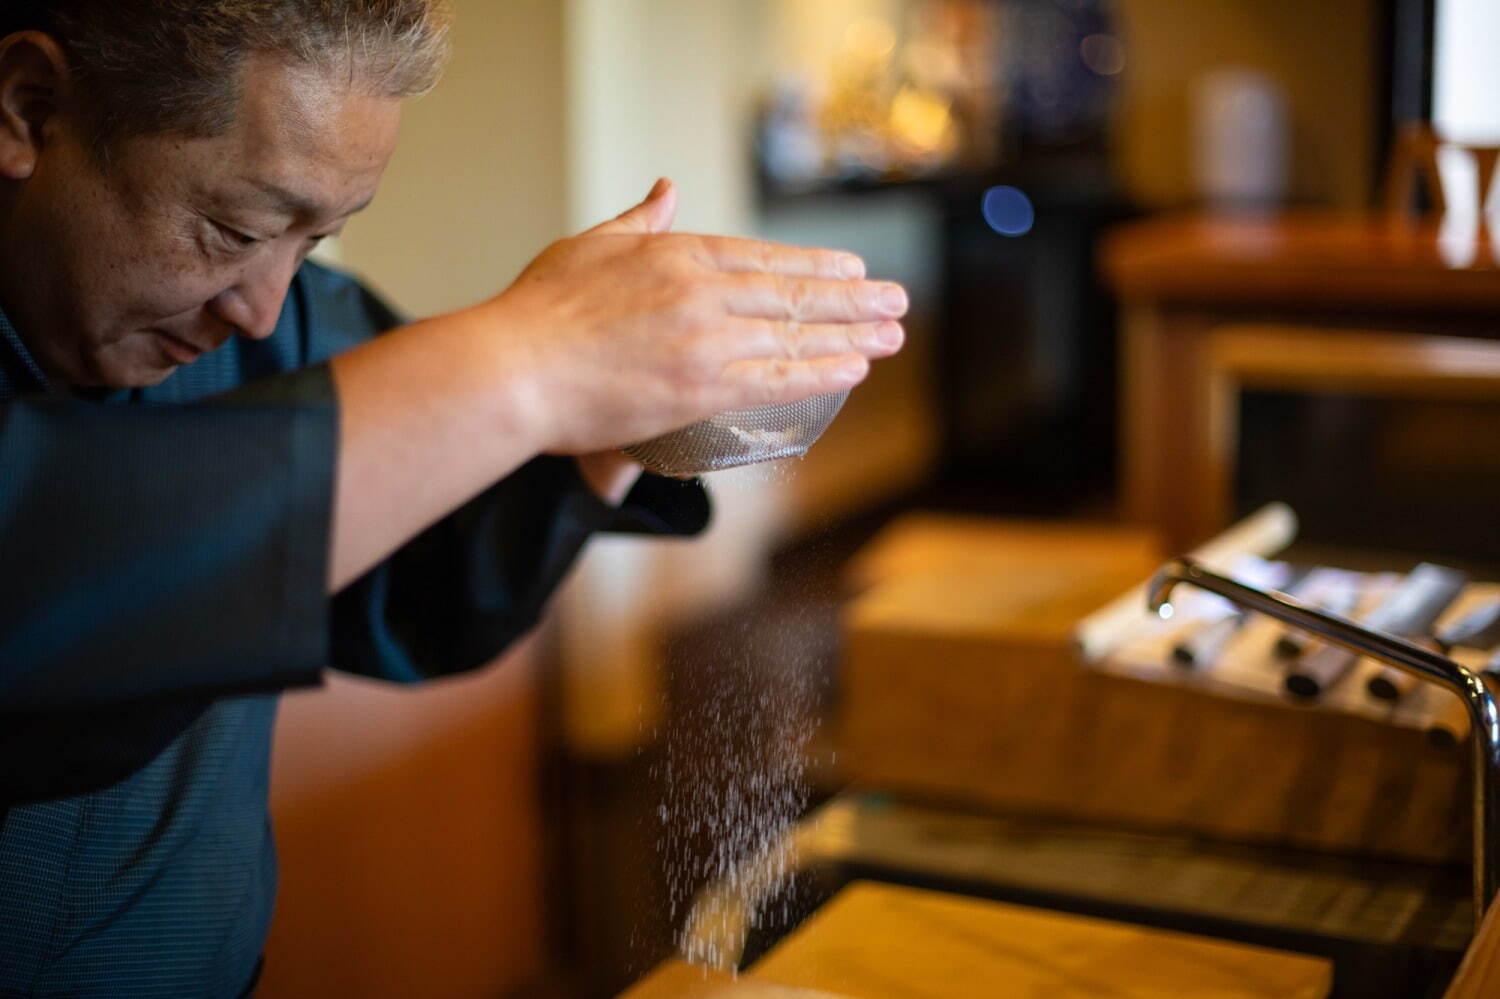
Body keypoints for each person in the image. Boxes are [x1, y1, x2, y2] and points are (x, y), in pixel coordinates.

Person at [0, 1, 907, 994]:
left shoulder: (274, 323)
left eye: (313, 245)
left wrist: (609, 423)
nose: (260, 308)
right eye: (233, 229)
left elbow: (418, 582)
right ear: (30, 109)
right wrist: (531, 361)